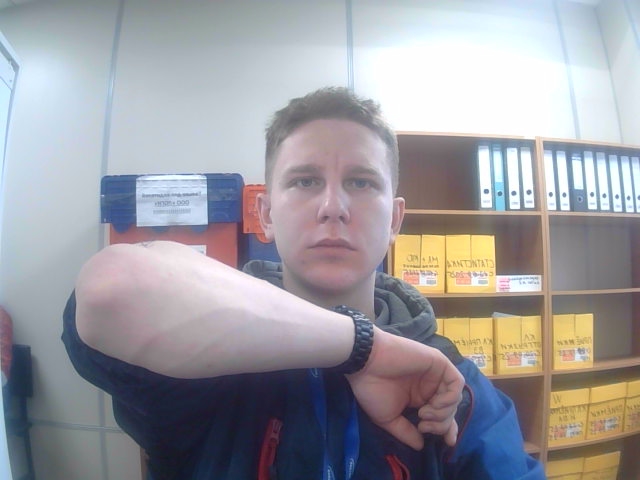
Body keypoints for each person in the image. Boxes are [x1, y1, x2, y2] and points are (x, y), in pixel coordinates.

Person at [62, 86, 545, 479]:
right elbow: (112, 287)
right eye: (305, 181)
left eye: (361, 182)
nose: (333, 207)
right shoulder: (199, 359)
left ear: (395, 221)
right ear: (265, 214)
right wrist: (364, 348)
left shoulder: (448, 386)